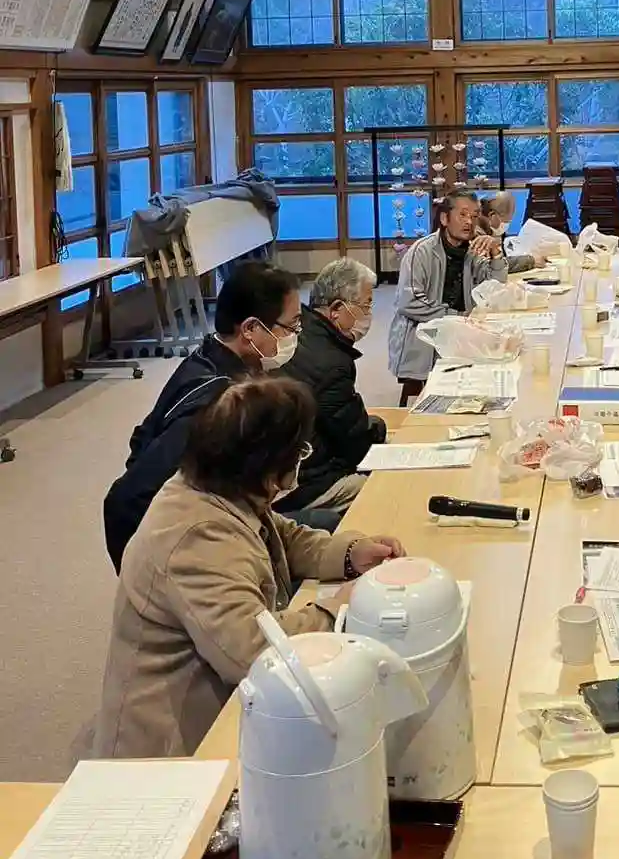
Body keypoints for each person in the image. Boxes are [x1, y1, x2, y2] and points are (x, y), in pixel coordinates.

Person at [95, 375, 405, 759]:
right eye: (298, 452)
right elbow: (254, 652)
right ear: (265, 466)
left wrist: (350, 553)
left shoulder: (219, 486)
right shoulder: (195, 536)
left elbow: (280, 537)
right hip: (175, 754)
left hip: (225, 708)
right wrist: (335, 610)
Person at [103, 261, 308, 573]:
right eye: (290, 328)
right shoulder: (218, 403)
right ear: (250, 329)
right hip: (190, 542)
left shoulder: (208, 358)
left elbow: (142, 438)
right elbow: (129, 498)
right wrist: (149, 568)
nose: (294, 337)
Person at [276, 258, 387, 521]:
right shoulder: (331, 363)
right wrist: (377, 432)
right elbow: (354, 445)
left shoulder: (296, 331)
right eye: (366, 305)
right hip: (302, 482)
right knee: (384, 490)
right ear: (337, 309)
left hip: (288, 462)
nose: (369, 314)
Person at [388, 188, 509, 403]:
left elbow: (495, 290)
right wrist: (456, 316)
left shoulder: (473, 249)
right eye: (462, 215)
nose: (469, 222)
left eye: (474, 216)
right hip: (425, 335)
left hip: (463, 331)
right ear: (444, 218)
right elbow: (409, 301)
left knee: (504, 361)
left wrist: (496, 253)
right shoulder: (422, 251)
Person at [480, 190, 547, 274]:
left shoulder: (484, 232)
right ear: (492, 215)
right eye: (505, 222)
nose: (505, 226)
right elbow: (495, 265)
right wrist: (531, 261)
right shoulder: (478, 236)